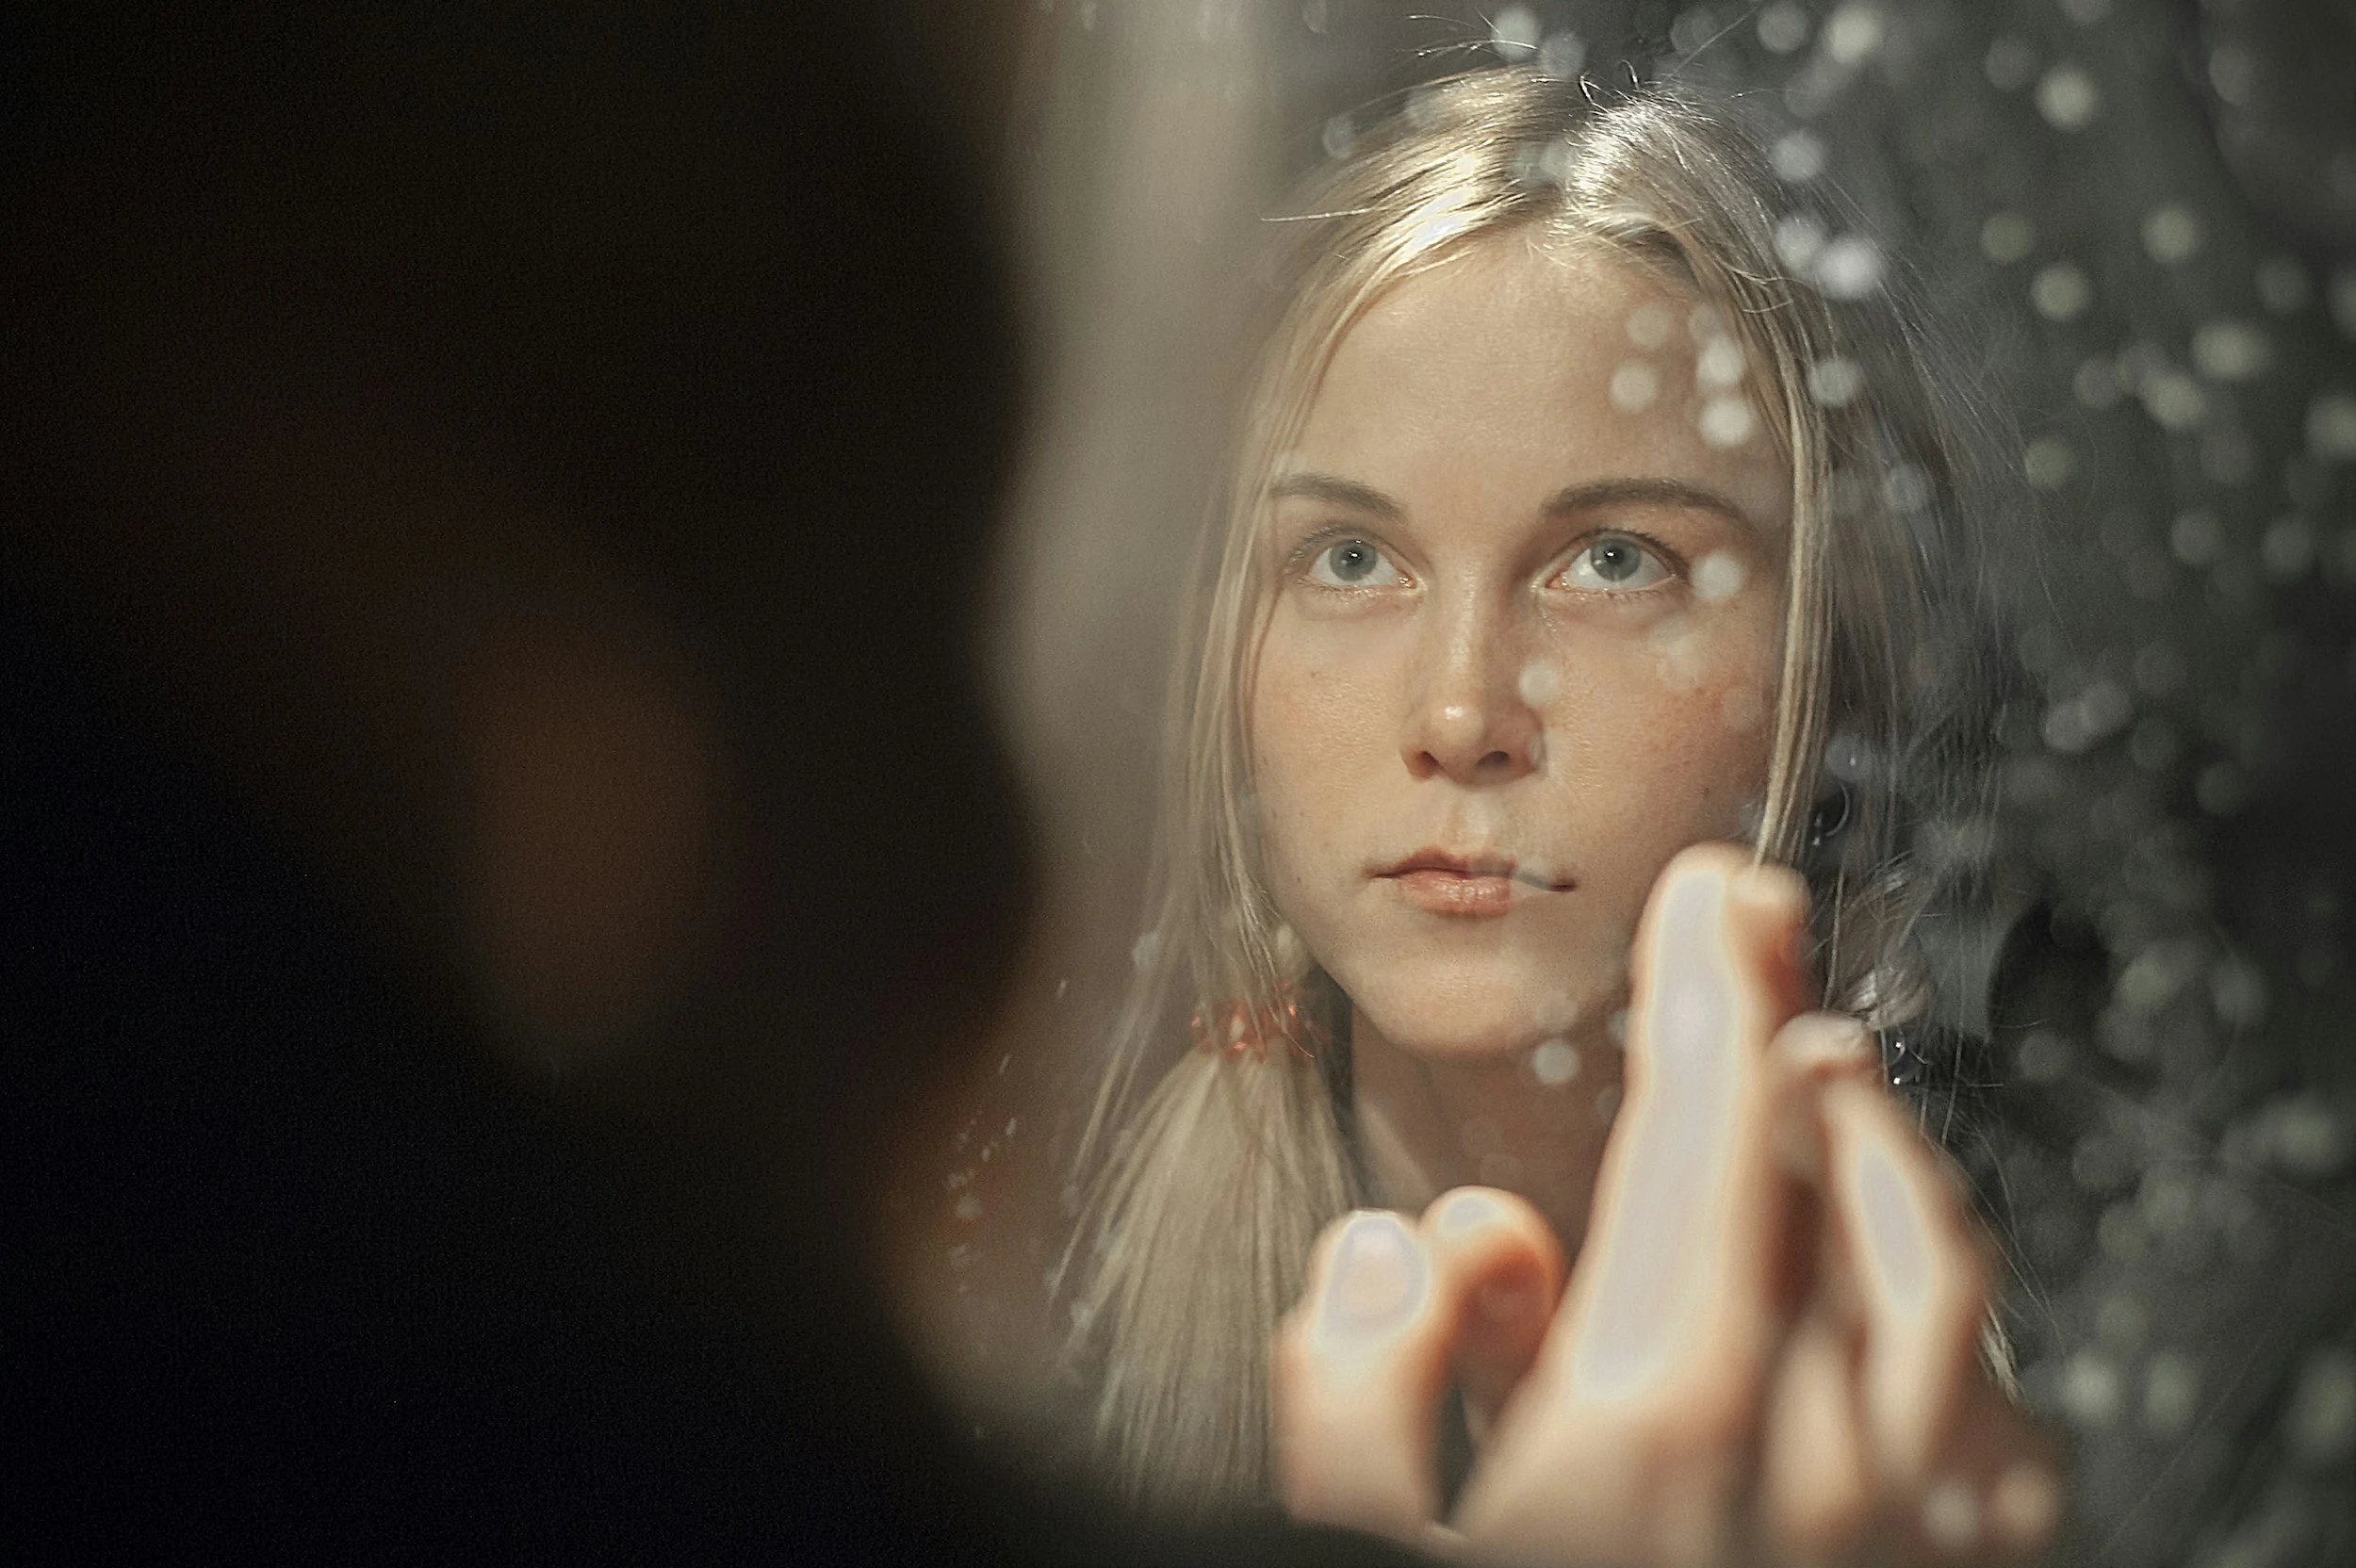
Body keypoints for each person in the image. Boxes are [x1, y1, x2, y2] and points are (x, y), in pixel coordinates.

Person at [1060, 67, 2059, 1562]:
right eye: (1346, 560)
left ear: (1842, 657)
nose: (1460, 719)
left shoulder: (2108, 1362)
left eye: (1613, 562)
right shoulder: (1013, 1326)